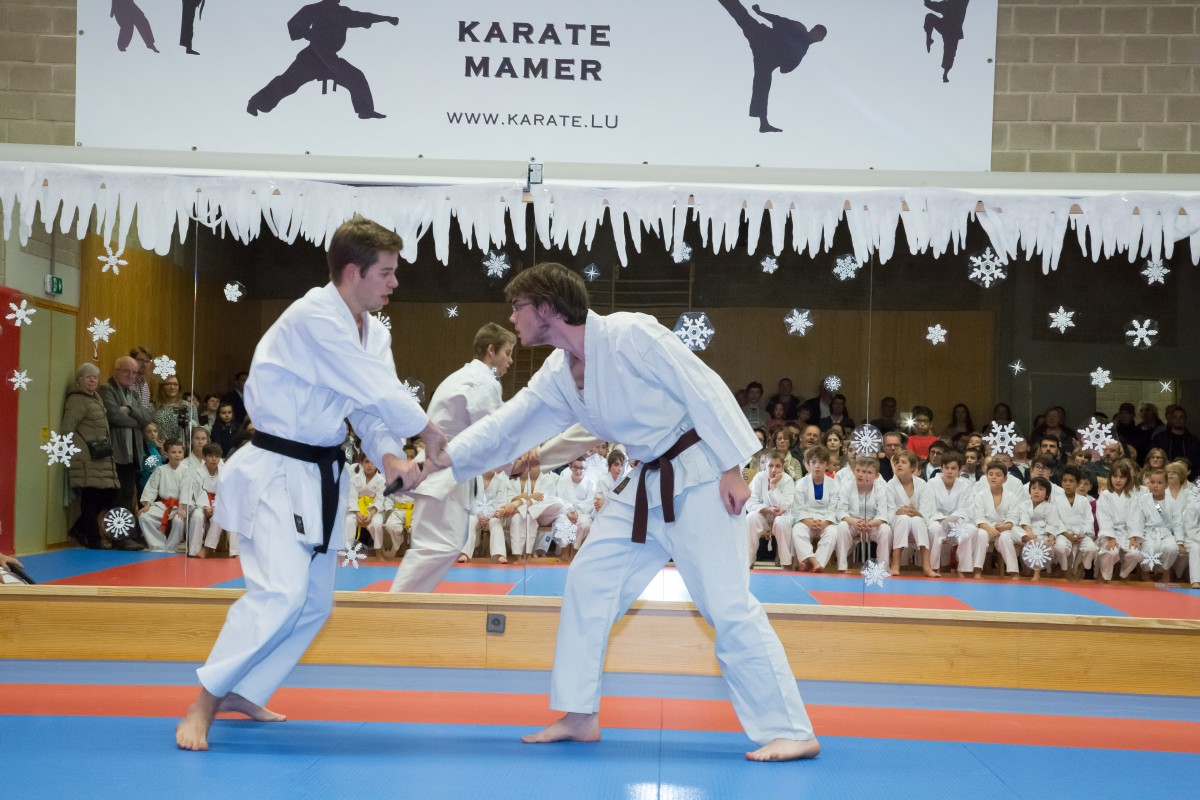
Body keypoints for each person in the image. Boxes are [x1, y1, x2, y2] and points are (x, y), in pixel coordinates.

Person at [425, 262, 818, 762]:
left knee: (726, 603)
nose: (512, 317)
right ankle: (579, 714)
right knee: (588, 580)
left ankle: (791, 729)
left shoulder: (630, 334)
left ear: (546, 308)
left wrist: (732, 466)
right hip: (644, 483)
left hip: (699, 476)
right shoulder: (559, 372)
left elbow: (703, 385)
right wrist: (446, 457)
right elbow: (510, 424)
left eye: (517, 307)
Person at [176, 216, 441, 752]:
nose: (395, 283)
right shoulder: (313, 317)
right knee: (280, 592)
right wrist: (430, 433)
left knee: (314, 603)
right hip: (275, 469)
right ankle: (203, 703)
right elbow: (374, 386)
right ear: (352, 272)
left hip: (322, 472)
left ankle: (245, 689)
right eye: (386, 272)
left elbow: (367, 405)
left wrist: (390, 454)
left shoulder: (375, 331)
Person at [389, 323, 515, 592]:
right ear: (491, 350)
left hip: (445, 470)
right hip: (443, 469)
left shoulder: (462, 376)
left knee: (440, 545)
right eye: (507, 352)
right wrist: (514, 461)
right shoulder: (482, 380)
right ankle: (398, 606)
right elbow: (490, 430)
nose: (510, 360)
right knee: (438, 546)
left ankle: (402, 606)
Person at [246, 0, 400, 119]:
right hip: (311, 56)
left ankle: (365, 110)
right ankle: (256, 103)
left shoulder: (343, 13)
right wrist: (309, 34)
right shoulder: (315, 9)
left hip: (330, 59)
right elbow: (294, 24)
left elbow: (363, 17)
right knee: (288, 81)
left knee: (355, 76)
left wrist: (386, 18)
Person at [718, 0, 826, 133]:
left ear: (820, 40)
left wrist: (785, 62)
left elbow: (786, 69)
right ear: (813, 30)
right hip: (764, 38)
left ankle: (763, 123)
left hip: (766, 59)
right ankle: (764, 123)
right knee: (742, 16)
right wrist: (760, 13)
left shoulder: (803, 50)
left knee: (763, 84)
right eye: (817, 34)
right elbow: (780, 20)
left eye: (819, 38)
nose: (817, 38)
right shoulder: (800, 29)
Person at [62, 363, 122, 550]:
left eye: (95, 377)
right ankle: (94, 537)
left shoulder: (95, 398)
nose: (92, 380)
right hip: (85, 456)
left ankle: (80, 529)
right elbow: (67, 429)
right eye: (88, 377)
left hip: (100, 455)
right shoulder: (77, 400)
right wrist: (78, 450)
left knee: (109, 493)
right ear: (79, 380)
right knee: (90, 496)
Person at [100, 356, 153, 514]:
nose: (131, 375)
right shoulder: (106, 390)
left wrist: (129, 409)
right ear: (116, 371)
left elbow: (147, 417)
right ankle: (116, 529)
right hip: (115, 453)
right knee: (114, 496)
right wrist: (138, 422)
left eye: (134, 372)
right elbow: (114, 416)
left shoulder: (133, 394)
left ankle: (126, 528)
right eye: (127, 371)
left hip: (132, 453)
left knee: (128, 494)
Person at [745, 450, 795, 567]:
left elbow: (781, 507)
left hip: (781, 516)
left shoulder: (788, 480)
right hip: (763, 515)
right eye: (770, 465)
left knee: (782, 522)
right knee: (751, 518)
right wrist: (766, 509)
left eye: (778, 466)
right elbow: (750, 501)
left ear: (783, 467)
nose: (773, 470)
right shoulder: (759, 477)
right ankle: (748, 560)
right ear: (765, 466)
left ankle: (786, 563)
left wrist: (773, 486)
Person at [139, 439, 189, 552]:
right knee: (144, 516)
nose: (177, 455)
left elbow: (186, 489)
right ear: (166, 454)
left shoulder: (186, 470)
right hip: (164, 504)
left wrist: (181, 507)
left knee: (179, 519)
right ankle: (158, 546)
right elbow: (151, 488)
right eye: (173, 452)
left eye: (180, 452)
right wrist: (147, 504)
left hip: (181, 505)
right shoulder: (160, 470)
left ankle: (171, 547)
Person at [1052, 466, 1097, 579]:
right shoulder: (1056, 500)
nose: (1067, 484)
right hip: (1064, 533)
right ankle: (1065, 569)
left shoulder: (1084, 501)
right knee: (1060, 547)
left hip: (1082, 534)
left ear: (1077, 483)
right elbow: (1055, 520)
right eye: (1065, 480)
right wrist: (1068, 535)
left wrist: (1080, 534)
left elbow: (1089, 520)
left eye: (1071, 481)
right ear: (1061, 482)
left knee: (1091, 548)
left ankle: (1082, 567)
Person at [923, 0, 969, 83]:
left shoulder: (958, 3)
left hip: (951, 31)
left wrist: (927, 2)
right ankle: (929, 39)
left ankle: (945, 74)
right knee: (950, 53)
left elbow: (928, 4)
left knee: (950, 53)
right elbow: (928, 4)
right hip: (949, 29)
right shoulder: (948, 4)